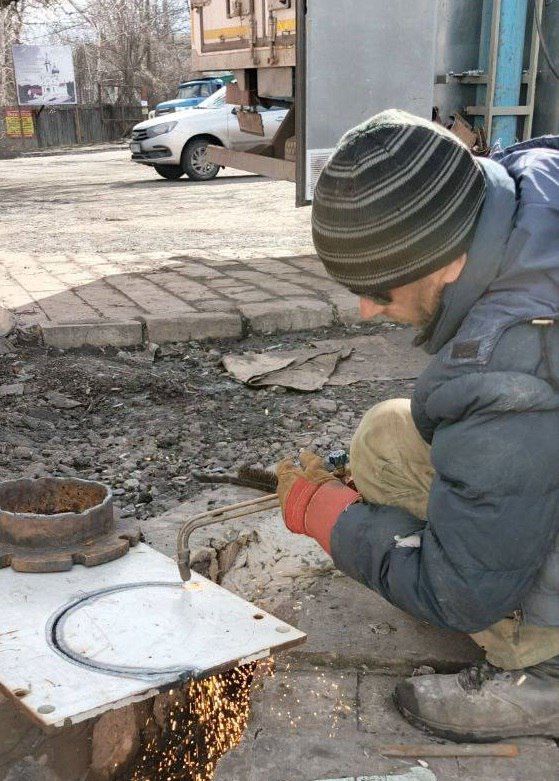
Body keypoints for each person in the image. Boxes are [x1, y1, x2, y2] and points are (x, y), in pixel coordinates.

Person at [276, 110, 559, 742]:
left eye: (379, 287)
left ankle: (541, 674)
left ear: (447, 260)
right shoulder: (529, 191)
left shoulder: (512, 358)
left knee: (475, 577)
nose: (366, 307)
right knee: (385, 438)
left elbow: (462, 596)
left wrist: (332, 519)